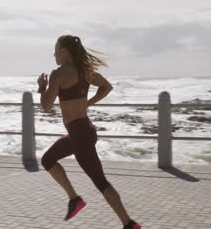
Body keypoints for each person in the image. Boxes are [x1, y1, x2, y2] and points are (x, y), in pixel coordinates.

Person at [37, 35, 141, 229]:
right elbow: (106, 87)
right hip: (83, 130)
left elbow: (46, 106)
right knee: (48, 159)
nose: (53, 54)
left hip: (80, 135)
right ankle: (74, 199)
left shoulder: (58, 74)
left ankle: (129, 223)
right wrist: (88, 103)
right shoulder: (85, 71)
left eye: (56, 50)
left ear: (64, 52)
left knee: (100, 182)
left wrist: (42, 88)